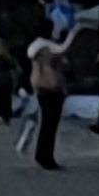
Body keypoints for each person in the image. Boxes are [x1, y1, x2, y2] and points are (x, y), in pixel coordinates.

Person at [26, 28, 70, 170]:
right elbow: (61, 55)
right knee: (50, 124)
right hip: (52, 88)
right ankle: (46, 157)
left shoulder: (34, 49)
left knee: (46, 123)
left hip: (40, 87)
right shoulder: (48, 49)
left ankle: (42, 154)